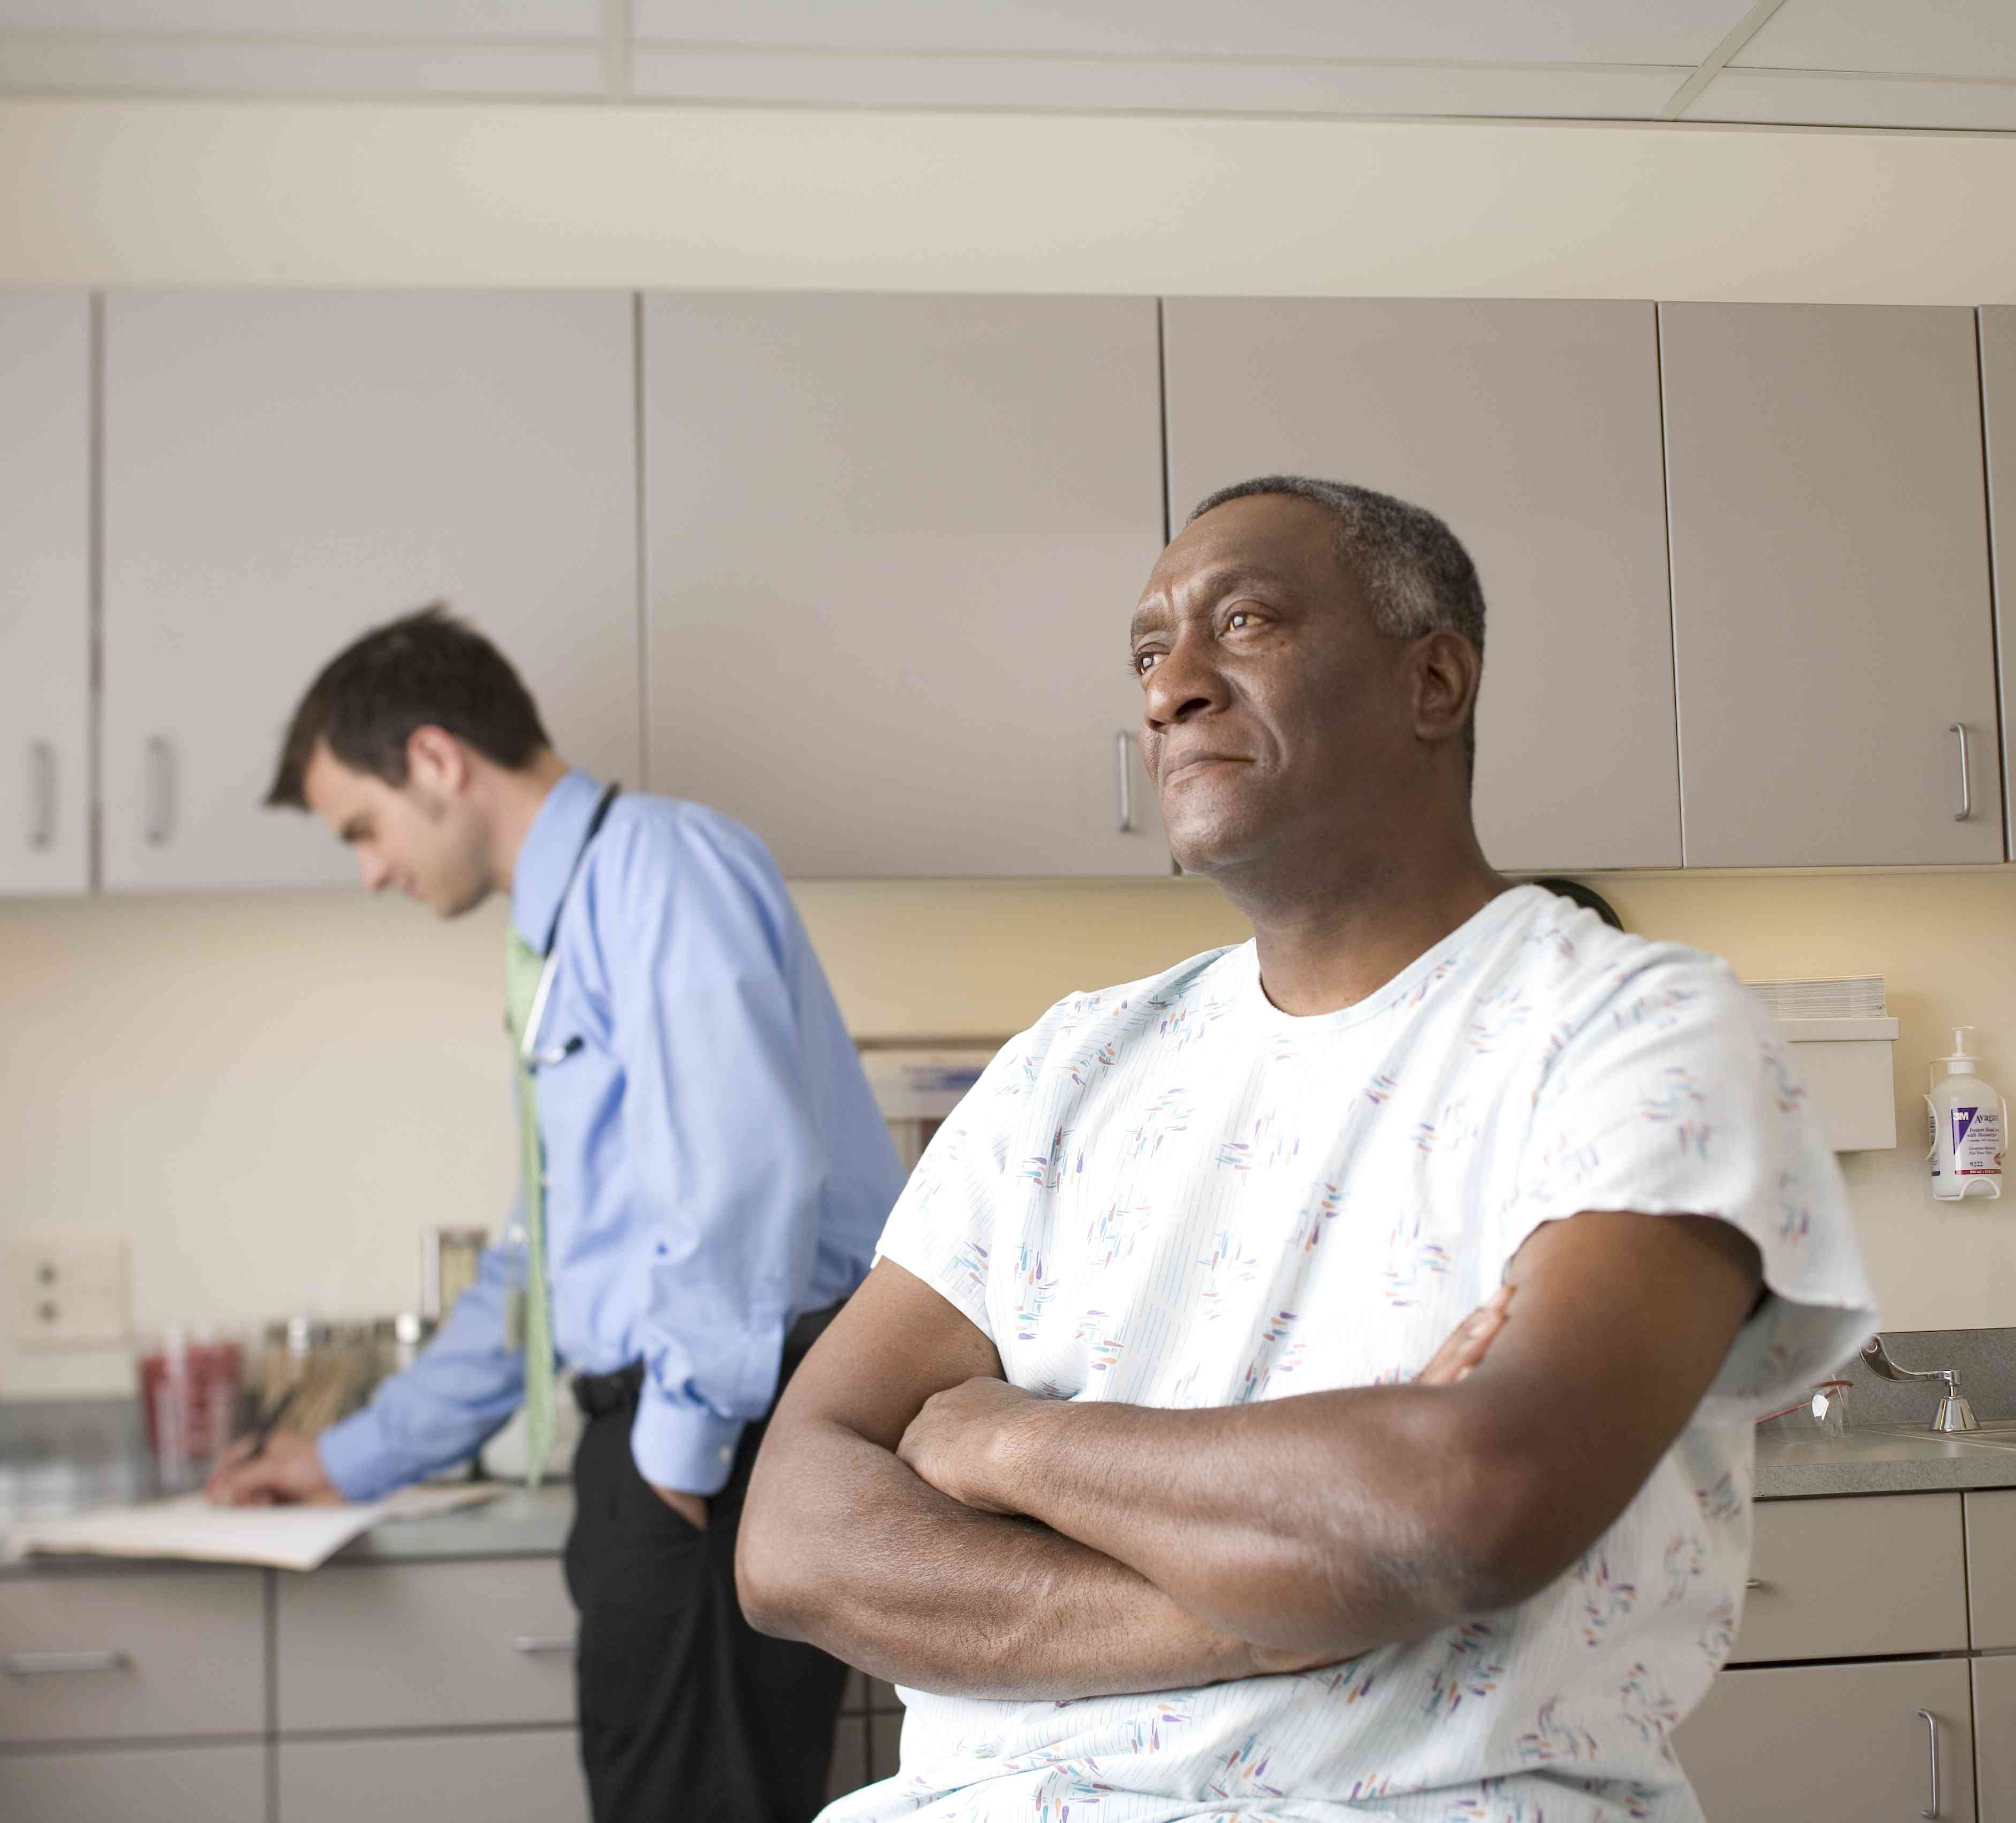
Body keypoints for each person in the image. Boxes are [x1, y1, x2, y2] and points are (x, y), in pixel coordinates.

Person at [735, 478, 1879, 1823]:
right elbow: (794, 1542)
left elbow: (1470, 1495)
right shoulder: (1067, 1065)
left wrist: (1006, 1450)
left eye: (1248, 622)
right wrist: (1267, 1612)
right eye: (1150, 655)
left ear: (1433, 683)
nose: (1172, 690)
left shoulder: (1638, 1030)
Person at [211, 605, 903, 1823]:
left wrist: (674, 1478)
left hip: (715, 1458)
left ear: (435, 761)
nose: (369, 869)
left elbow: (741, 1183)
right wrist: (343, 1457)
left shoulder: (660, 871)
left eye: (361, 829)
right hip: (659, 1459)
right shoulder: (568, 929)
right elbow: (541, 1268)